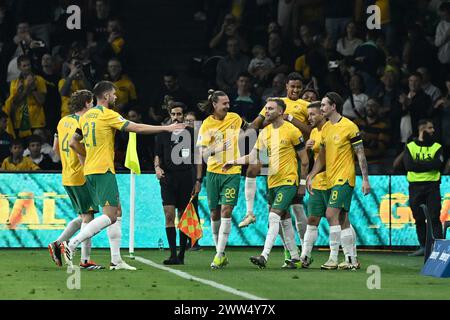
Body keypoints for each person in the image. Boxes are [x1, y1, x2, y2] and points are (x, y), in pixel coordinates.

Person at [61, 81, 185, 270]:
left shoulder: (85, 117)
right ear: (105, 96)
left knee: (117, 212)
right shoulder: (108, 114)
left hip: (90, 170)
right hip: (103, 170)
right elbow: (136, 127)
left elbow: (73, 142)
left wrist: (89, 155)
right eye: (113, 94)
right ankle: (73, 243)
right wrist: (166, 128)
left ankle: (116, 260)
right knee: (110, 216)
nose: (116, 97)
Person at [223, 98, 309, 269]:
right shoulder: (265, 132)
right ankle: (295, 257)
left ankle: (264, 255)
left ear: (280, 112)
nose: (266, 112)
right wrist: (234, 161)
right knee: (284, 220)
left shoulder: (291, 130)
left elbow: (305, 160)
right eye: (266, 108)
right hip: (273, 182)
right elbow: (253, 156)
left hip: (288, 181)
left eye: (270, 109)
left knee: (273, 216)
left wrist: (302, 183)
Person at [306, 92, 371, 270]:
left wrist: (365, 179)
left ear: (333, 106)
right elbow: (323, 157)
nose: (321, 109)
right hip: (330, 178)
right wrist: (312, 174)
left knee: (330, 214)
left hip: (344, 177)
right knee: (343, 219)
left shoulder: (349, 126)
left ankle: (333, 258)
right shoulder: (326, 128)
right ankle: (352, 259)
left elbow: (360, 154)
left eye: (324, 105)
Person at [48, 89, 103, 270]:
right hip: (81, 175)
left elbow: (56, 148)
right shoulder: (84, 122)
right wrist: (88, 169)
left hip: (67, 175)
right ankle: (85, 261)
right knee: (89, 217)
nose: (94, 106)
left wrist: (67, 163)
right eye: (93, 102)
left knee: (83, 216)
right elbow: (79, 148)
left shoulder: (63, 121)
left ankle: (57, 244)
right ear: (87, 103)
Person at [300, 101, 358, 268]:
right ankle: (305, 256)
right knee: (313, 218)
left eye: (312, 114)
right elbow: (315, 160)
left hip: (335, 179)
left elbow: (330, 158)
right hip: (319, 181)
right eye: (308, 115)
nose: (309, 118)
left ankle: (344, 256)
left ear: (323, 113)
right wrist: (307, 150)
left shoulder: (335, 128)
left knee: (339, 218)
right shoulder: (314, 132)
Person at [196, 89, 248, 269]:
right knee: (214, 213)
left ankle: (218, 254)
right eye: (224, 103)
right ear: (215, 105)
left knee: (226, 210)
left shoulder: (235, 118)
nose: (228, 106)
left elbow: (248, 128)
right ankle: (221, 253)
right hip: (213, 173)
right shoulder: (206, 125)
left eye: (228, 102)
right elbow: (202, 153)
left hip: (232, 172)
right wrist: (217, 148)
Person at [154, 102, 202, 265]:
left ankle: (181, 254)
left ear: (183, 115)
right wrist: (157, 168)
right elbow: (157, 155)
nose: (176, 117)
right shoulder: (162, 133)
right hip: (168, 179)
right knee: (169, 215)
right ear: (169, 115)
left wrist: (198, 180)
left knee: (183, 216)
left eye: (179, 114)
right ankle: (173, 254)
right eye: (173, 114)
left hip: (186, 178)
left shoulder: (192, 133)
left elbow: (198, 159)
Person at [403, 119, 444, 256]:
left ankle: (438, 248)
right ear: (422, 129)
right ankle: (423, 247)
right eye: (430, 128)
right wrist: (428, 164)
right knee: (418, 218)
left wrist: (419, 164)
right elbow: (409, 166)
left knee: (434, 217)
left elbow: (437, 164)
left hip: (432, 186)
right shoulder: (410, 146)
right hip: (415, 187)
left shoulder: (437, 146)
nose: (433, 130)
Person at [4, 55, 46, 138]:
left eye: (29, 65)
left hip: (36, 121)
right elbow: (15, 103)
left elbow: (42, 101)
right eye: (24, 66)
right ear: (19, 67)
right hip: (20, 123)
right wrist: (26, 88)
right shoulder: (14, 83)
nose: (27, 68)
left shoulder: (39, 80)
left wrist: (34, 88)